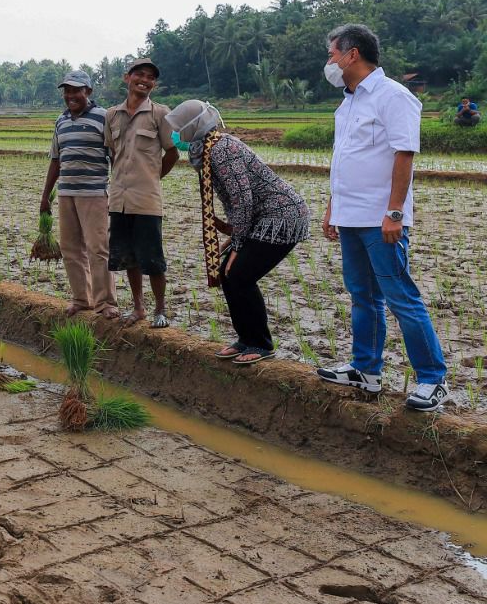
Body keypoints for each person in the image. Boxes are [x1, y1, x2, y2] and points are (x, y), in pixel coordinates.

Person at [316, 24, 448, 411]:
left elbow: (404, 155)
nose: (329, 61)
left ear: (352, 54)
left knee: (401, 298)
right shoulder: (348, 102)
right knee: (363, 296)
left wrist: (394, 212)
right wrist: (333, 207)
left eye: (332, 54)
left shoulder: (394, 96)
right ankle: (366, 370)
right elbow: (345, 159)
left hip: (381, 220)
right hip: (351, 216)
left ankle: (433, 378)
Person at [166, 100, 310, 364]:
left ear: (193, 126)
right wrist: (236, 236)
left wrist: (239, 244)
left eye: (179, 127)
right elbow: (234, 201)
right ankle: (245, 339)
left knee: (240, 274)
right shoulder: (205, 148)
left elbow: (242, 199)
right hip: (260, 217)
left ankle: (261, 344)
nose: (175, 133)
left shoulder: (223, 149)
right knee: (227, 273)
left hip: (281, 216)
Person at [104, 58, 179, 327]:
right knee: (128, 258)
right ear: (128, 78)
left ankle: (160, 310)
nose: (145, 80)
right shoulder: (112, 115)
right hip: (119, 200)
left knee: (153, 259)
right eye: (140, 75)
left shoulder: (161, 114)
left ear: (154, 84)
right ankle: (138, 308)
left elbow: (172, 152)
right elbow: (113, 153)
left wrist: (153, 178)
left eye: (150, 77)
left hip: (147, 200)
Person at [40, 70, 117, 319]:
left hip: (94, 193)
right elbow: (56, 159)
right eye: (67, 91)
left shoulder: (103, 117)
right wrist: (45, 195)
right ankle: (82, 299)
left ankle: (106, 302)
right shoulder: (61, 120)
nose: (70, 95)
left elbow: (115, 157)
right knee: (71, 248)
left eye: (76, 90)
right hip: (66, 193)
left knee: (98, 248)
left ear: (88, 92)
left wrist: (118, 192)